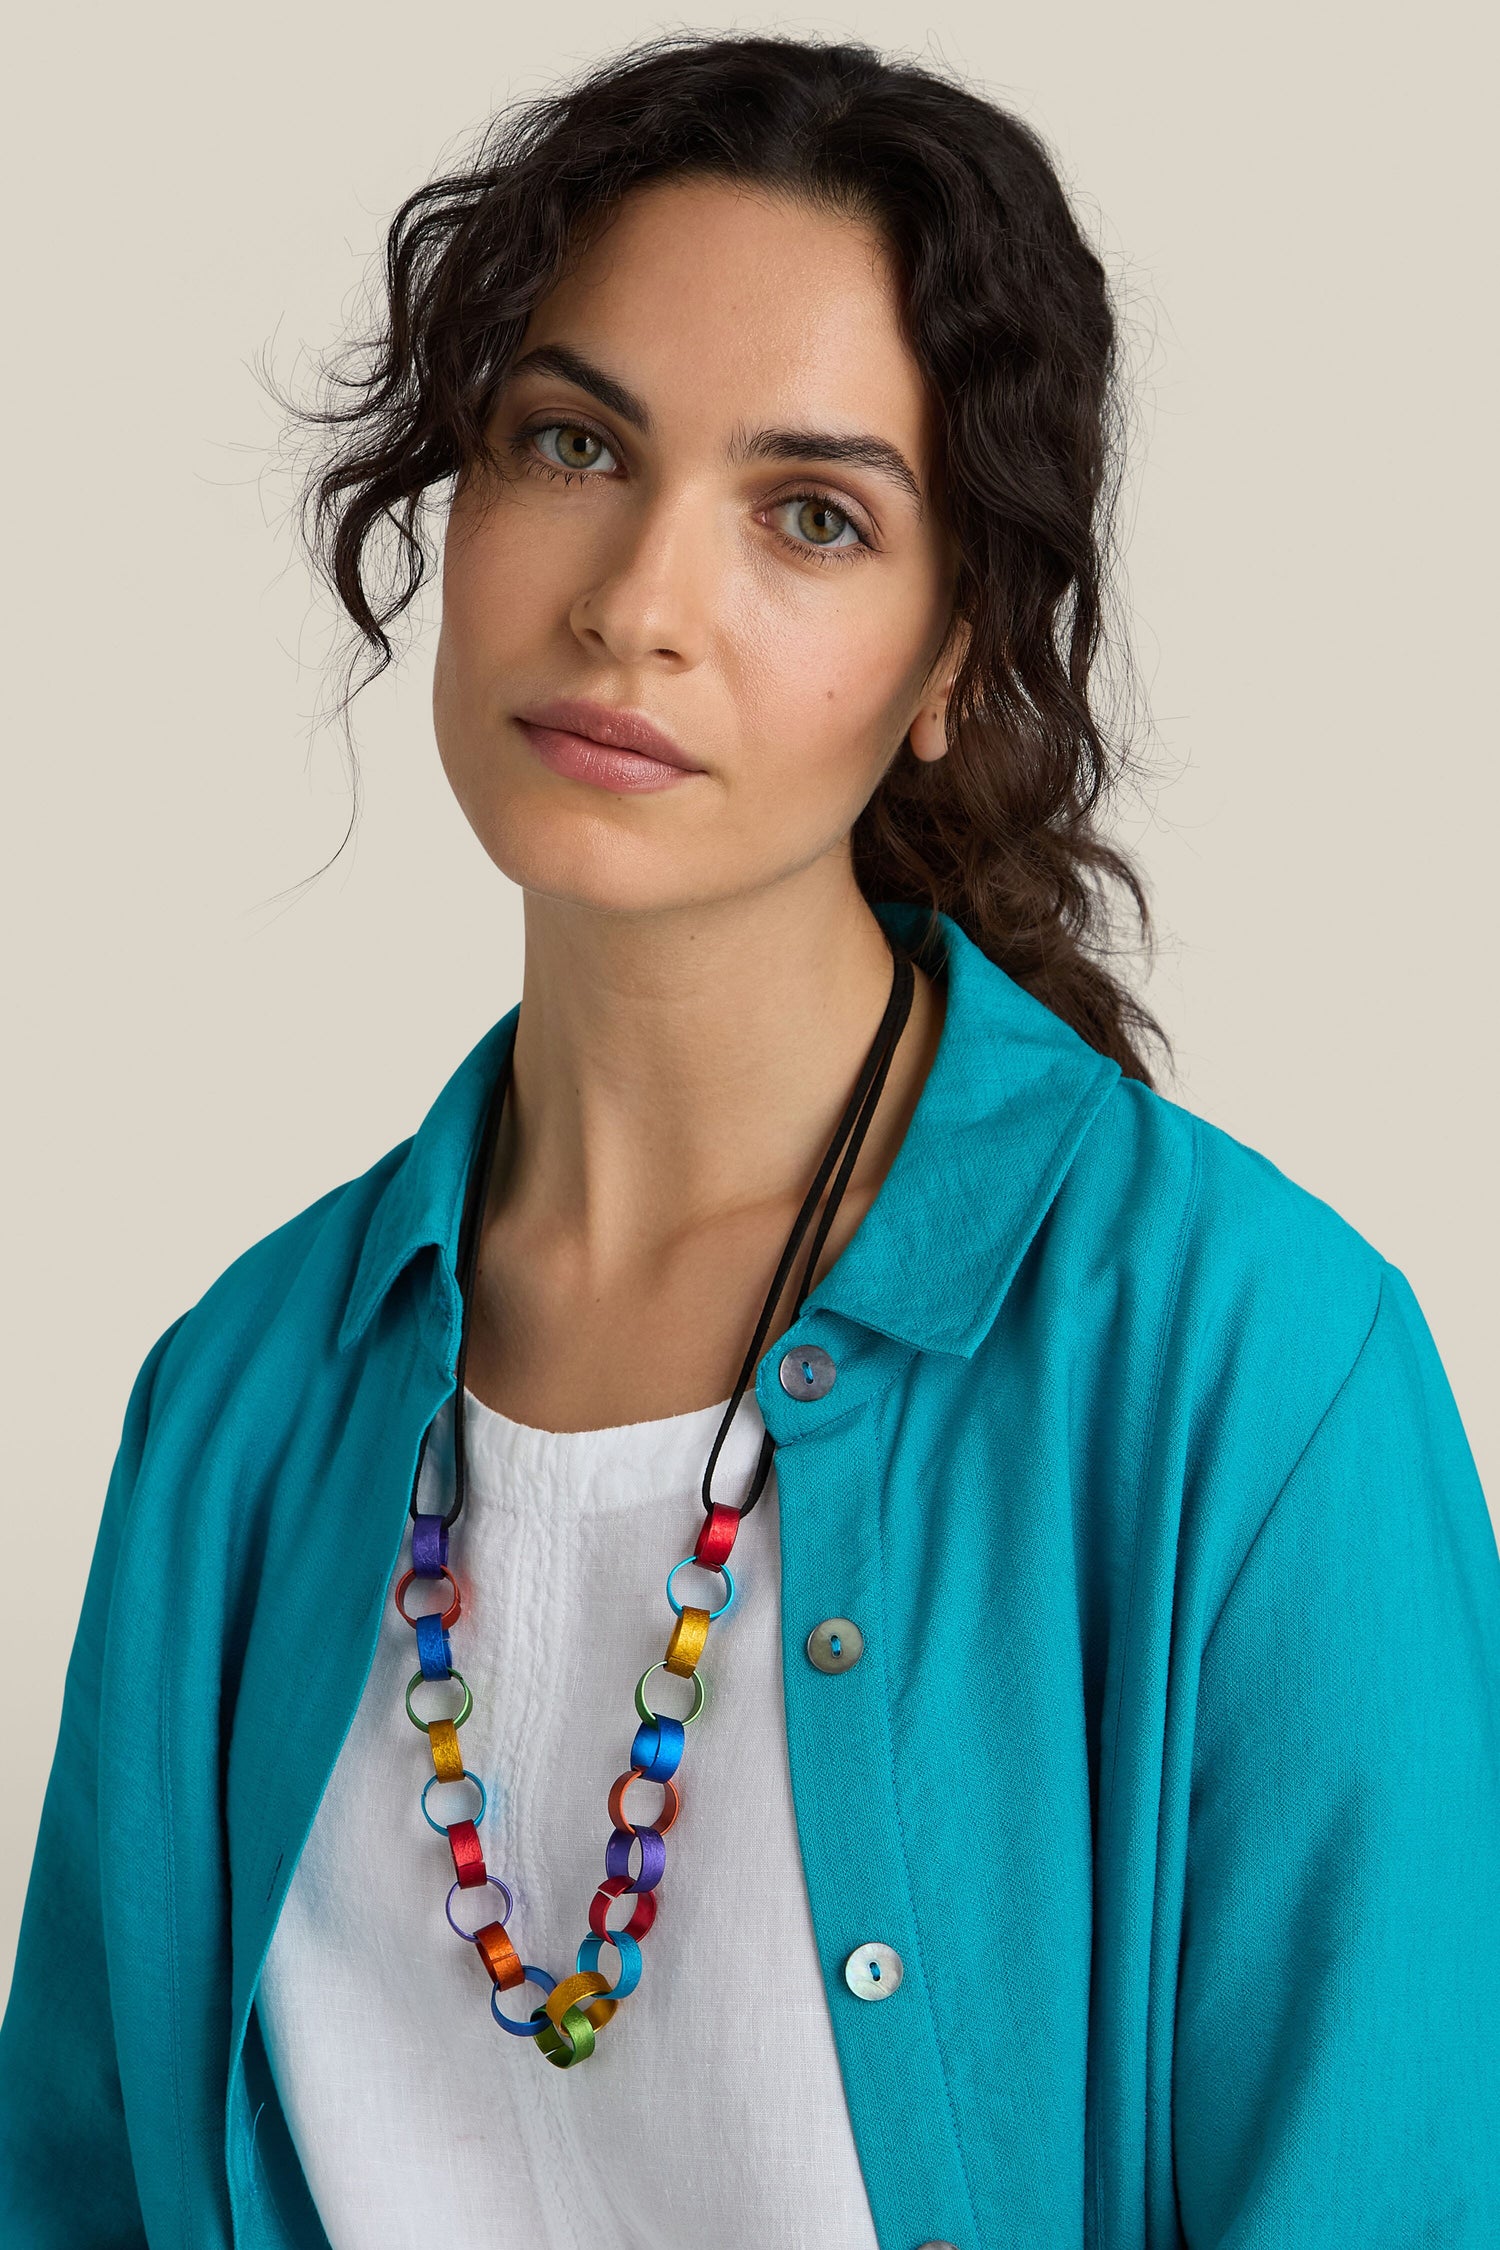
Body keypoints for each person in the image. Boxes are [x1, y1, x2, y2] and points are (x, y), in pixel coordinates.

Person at [2, 31, 1497, 2250]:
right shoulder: (234, 1408)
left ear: (952, 655)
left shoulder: (1250, 1378)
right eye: (571, 443)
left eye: (811, 514)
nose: (634, 600)